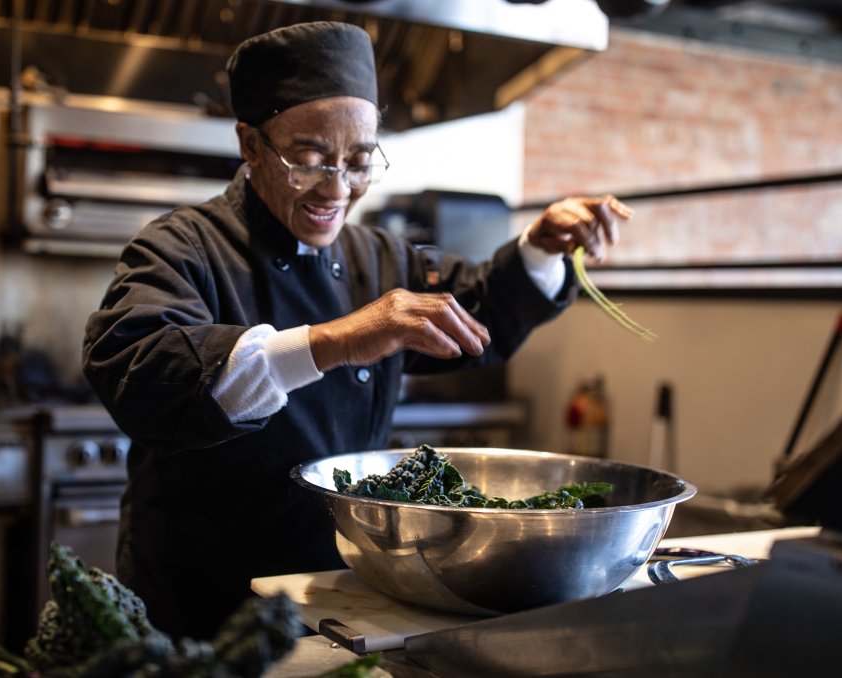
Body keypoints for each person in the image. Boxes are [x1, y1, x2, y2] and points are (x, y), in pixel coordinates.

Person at [83, 21, 632, 639]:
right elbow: (139, 367)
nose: (337, 189)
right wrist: (339, 339)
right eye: (310, 160)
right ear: (251, 144)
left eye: (360, 161)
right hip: (203, 597)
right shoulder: (181, 247)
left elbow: (474, 308)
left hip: (344, 591)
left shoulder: (380, 257)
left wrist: (539, 248)